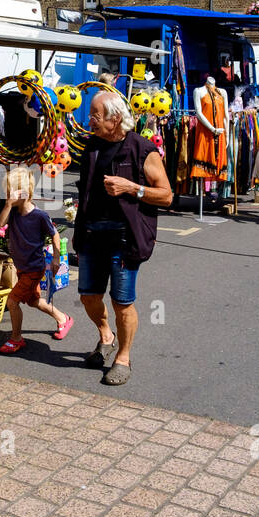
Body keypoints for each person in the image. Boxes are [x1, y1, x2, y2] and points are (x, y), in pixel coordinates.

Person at [74, 91, 173, 386]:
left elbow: (166, 196)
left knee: (122, 302)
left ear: (114, 118)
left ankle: (123, 357)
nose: (88, 121)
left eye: (94, 115)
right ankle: (106, 335)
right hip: (92, 233)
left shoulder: (142, 149)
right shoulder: (91, 146)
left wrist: (132, 187)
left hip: (123, 238)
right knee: (89, 296)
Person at [0, 167, 72, 353]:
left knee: (12, 301)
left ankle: (16, 339)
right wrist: (7, 204)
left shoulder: (39, 216)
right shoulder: (12, 211)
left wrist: (56, 258)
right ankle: (63, 318)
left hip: (33, 268)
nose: (8, 195)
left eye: (11, 191)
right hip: (22, 267)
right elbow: (1, 224)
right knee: (33, 301)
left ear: (24, 192)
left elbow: (54, 235)